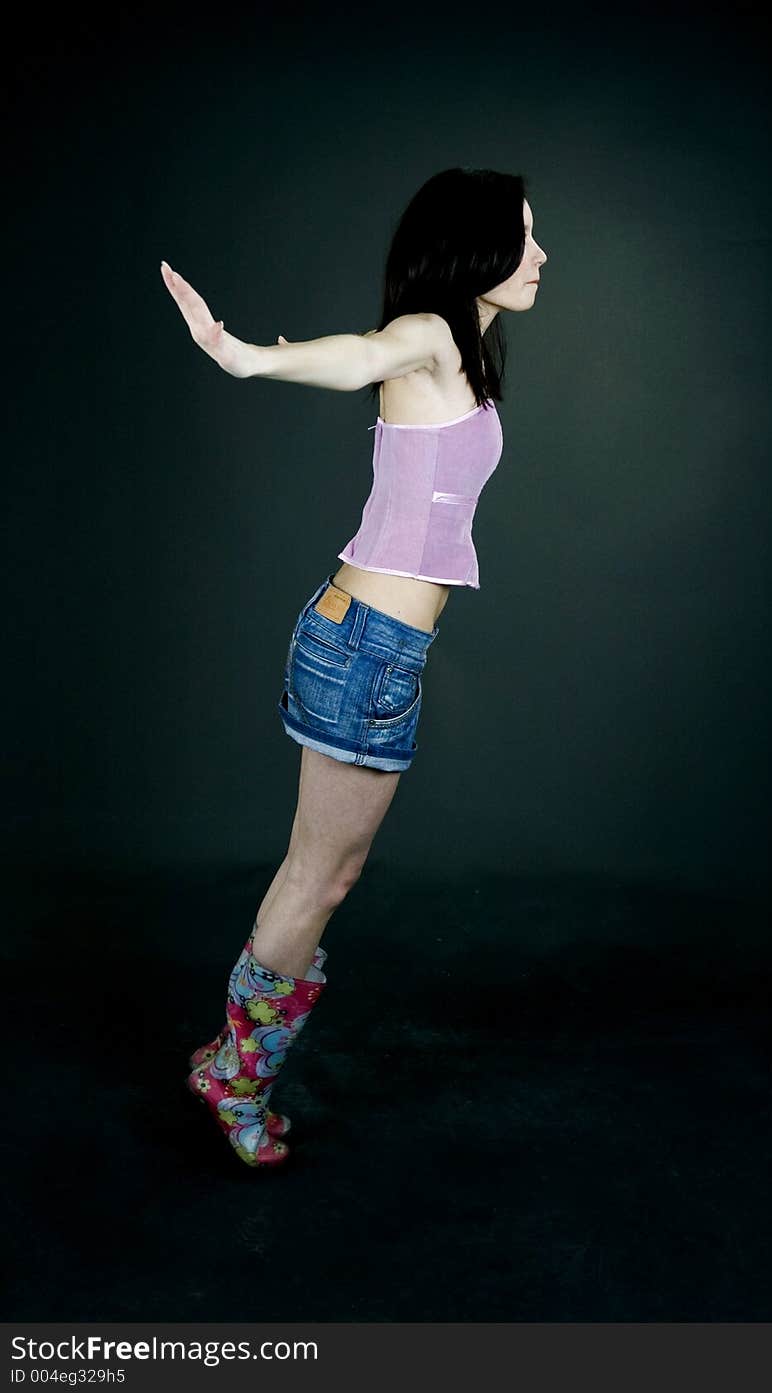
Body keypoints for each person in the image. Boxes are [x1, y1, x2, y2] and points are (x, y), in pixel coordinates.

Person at [160, 167, 548, 1167]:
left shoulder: (465, 343)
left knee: (328, 873)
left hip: (376, 650)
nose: (541, 257)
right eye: (524, 238)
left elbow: (373, 370)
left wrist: (308, 356)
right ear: (473, 248)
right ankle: (234, 1077)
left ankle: (230, 1058)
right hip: (363, 650)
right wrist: (244, 358)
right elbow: (368, 353)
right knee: (317, 878)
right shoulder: (426, 332)